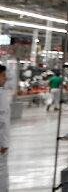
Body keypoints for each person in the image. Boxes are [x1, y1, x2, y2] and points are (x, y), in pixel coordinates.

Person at [0, 64, 10, 192]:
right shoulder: (1, 94)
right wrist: (4, 143)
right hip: (0, 144)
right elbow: (2, 121)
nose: (5, 78)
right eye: (3, 75)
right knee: (2, 171)